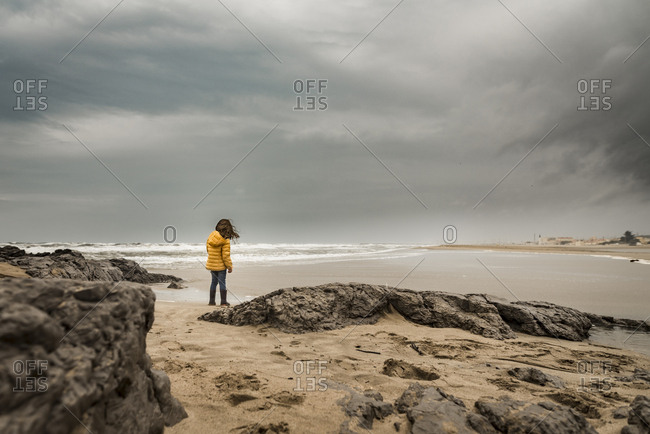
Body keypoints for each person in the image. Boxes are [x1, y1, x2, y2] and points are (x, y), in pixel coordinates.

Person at [206, 219, 239, 306]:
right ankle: (223, 302)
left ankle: (211, 301)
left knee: (213, 282)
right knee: (222, 282)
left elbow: (208, 249)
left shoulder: (211, 236)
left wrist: (212, 259)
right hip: (221, 266)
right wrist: (229, 266)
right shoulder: (225, 239)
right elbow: (225, 256)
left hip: (212, 264)